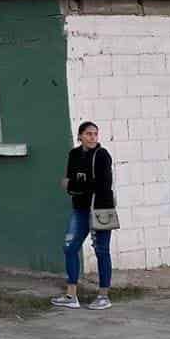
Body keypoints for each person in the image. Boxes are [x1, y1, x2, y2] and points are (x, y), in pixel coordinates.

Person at [54, 120, 115, 310]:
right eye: (88, 134)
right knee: (69, 247)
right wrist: (79, 185)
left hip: (101, 210)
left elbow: (101, 185)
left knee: (101, 251)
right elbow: (70, 179)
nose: (92, 137)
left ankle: (104, 296)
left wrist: (74, 185)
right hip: (80, 209)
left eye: (95, 134)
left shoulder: (102, 155)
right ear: (80, 136)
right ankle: (71, 295)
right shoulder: (73, 154)